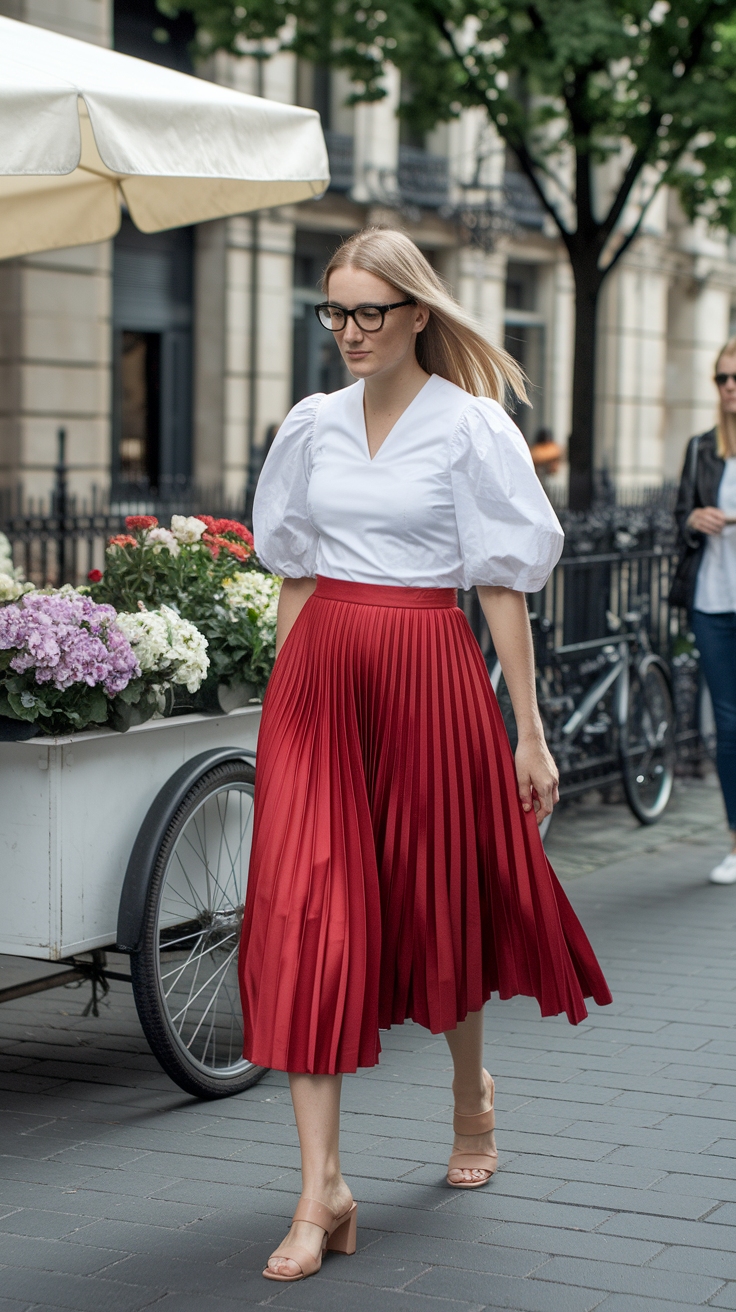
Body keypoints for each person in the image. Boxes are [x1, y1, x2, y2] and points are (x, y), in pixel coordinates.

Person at [238, 227, 612, 1283]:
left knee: (432, 900)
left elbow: (500, 581)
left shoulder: (471, 426)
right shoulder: (310, 426)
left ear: (417, 313)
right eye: (334, 312)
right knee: (309, 913)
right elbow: (296, 572)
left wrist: (528, 735)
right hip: (320, 681)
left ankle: (469, 1095)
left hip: (426, 674)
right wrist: (280, 698)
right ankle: (322, 1191)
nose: (349, 333)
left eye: (368, 311)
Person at [672, 337, 736, 884]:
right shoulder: (701, 448)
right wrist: (694, 520)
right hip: (713, 604)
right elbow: (678, 516)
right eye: (722, 378)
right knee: (728, 727)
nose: (729, 386)